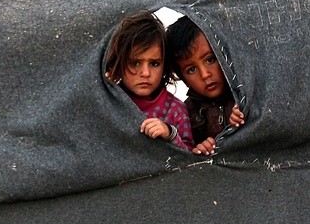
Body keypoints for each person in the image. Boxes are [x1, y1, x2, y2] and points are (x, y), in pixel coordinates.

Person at [104, 10, 194, 150]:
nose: (145, 73)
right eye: (135, 63)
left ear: (165, 65)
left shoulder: (175, 110)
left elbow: (191, 159)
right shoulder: (107, 100)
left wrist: (170, 134)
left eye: (154, 63)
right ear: (119, 63)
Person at [166, 16, 245, 155]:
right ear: (183, 78)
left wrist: (244, 119)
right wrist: (199, 150)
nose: (205, 74)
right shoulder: (184, 113)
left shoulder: (244, 92)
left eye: (210, 59)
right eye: (191, 69)